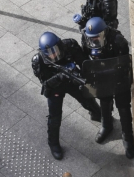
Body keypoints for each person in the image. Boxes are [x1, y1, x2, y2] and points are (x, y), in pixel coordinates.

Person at [31, 32, 101, 160]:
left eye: (55, 50)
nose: (53, 54)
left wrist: (81, 77)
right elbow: (45, 84)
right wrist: (60, 76)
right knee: (55, 117)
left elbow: (84, 63)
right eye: (49, 53)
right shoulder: (39, 61)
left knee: (88, 99)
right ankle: (53, 143)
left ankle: (98, 114)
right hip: (55, 88)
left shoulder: (69, 46)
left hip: (72, 81)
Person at [81, 17, 134, 159]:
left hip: (118, 78)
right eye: (92, 39)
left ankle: (127, 137)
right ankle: (107, 125)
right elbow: (85, 57)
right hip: (102, 77)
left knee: (123, 107)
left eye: (97, 38)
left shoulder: (118, 41)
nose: (94, 42)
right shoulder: (87, 39)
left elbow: (123, 64)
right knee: (104, 102)